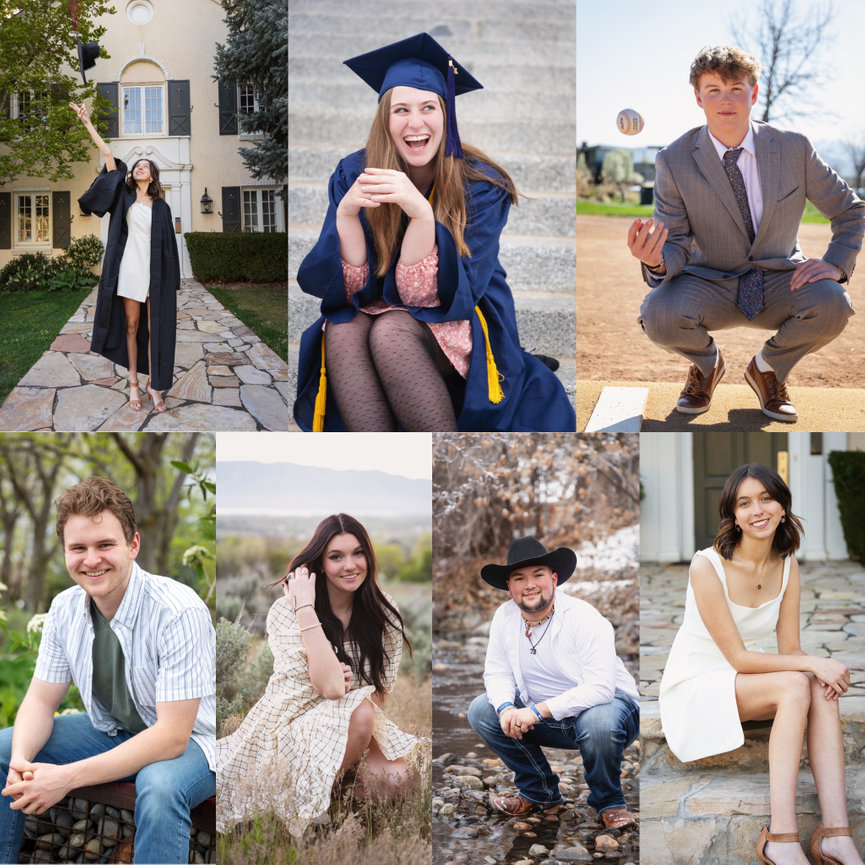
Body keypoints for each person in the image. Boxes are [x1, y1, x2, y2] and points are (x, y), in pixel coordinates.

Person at [294, 32, 575, 432]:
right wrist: (346, 217)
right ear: (385, 119)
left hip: (460, 311)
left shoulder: (481, 186)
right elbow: (350, 296)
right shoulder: (354, 173)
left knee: (391, 331)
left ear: (447, 115)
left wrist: (422, 216)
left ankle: (439, 456)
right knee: (342, 329)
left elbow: (425, 299)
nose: (415, 122)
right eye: (401, 109)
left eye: (428, 107)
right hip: (375, 308)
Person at [628, 46, 865, 423]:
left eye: (736, 89)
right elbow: (675, 244)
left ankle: (768, 369)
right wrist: (655, 260)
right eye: (713, 90)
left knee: (834, 303)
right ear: (698, 98)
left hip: (781, 277)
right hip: (709, 281)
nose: (726, 100)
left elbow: (850, 210)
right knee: (657, 314)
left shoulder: (794, 148)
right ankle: (707, 366)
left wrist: (836, 264)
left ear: (753, 93)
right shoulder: (672, 160)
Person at [0, 477, 216, 865]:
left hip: (194, 742)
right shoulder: (64, 608)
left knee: (160, 787)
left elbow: (171, 738)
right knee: (2, 750)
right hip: (114, 731)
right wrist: (20, 763)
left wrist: (64, 778)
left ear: (133, 545)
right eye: (78, 548)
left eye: (105, 545)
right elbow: (40, 701)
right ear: (65, 552)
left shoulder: (178, 612)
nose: (91, 560)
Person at [659, 464, 863, 865]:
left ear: (782, 507)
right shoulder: (706, 565)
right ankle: (781, 838)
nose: (758, 510)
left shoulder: (787, 563)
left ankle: (836, 835)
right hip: (698, 683)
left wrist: (819, 667)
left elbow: (790, 649)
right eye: (745, 503)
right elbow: (737, 657)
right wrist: (815, 663)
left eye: (766, 498)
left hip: (745, 680)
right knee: (797, 682)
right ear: (733, 516)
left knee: (819, 687)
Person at [216, 513, 424, 838]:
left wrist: (343, 689)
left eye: (358, 553)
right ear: (320, 564)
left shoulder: (383, 610)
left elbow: (380, 692)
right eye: (336, 557)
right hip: (289, 726)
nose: (350, 565)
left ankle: (335, 793)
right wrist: (305, 608)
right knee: (360, 711)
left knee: (398, 779)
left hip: (351, 730)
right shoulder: (287, 611)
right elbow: (329, 687)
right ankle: (309, 816)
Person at [467, 537, 639, 829]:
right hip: (548, 718)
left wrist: (535, 712)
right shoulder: (505, 617)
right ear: (509, 586)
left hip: (609, 712)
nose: (529, 585)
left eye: (538, 575)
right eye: (519, 578)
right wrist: (507, 708)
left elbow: (600, 688)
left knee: (598, 721)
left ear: (554, 579)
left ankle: (609, 802)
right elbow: (497, 672)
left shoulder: (584, 617)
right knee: (482, 710)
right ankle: (540, 792)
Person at [71, 101, 180, 414]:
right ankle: (133, 382)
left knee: (156, 329)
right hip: (130, 269)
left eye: (146, 165)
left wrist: (172, 281)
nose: (139, 167)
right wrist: (87, 123)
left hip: (155, 273)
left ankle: (154, 386)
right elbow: (108, 154)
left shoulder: (162, 208)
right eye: (137, 164)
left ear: (153, 176)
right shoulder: (124, 194)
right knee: (132, 326)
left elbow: (169, 247)